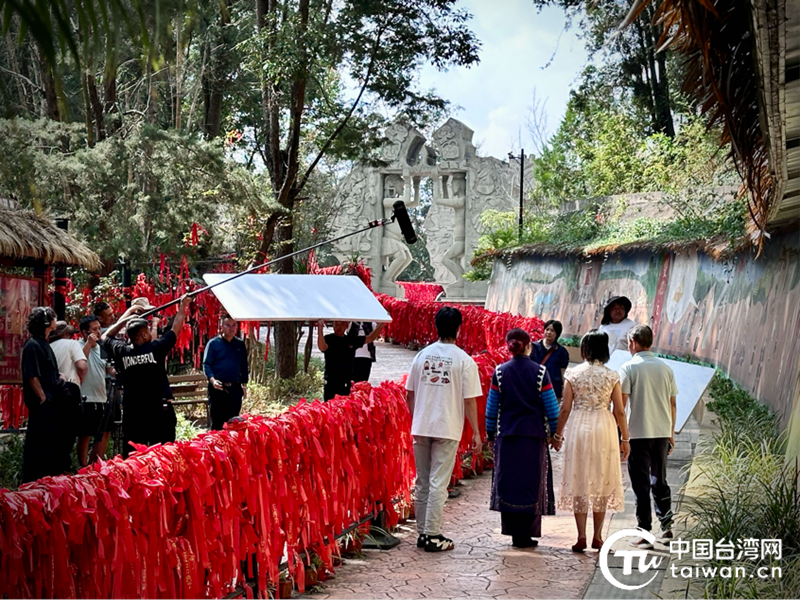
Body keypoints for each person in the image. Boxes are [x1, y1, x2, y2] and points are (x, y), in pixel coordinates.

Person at [405, 307, 483, 552]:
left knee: (423, 480)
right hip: (447, 426)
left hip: (422, 424)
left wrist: (418, 415)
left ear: (436, 327)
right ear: (459, 328)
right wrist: (477, 433)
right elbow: (470, 400)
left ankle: (422, 533)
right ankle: (433, 534)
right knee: (439, 481)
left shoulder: (422, 356)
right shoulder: (465, 361)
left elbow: (409, 393)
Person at [552, 330, 630, 552]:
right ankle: (598, 536)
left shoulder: (573, 374)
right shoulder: (612, 375)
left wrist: (557, 435)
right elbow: (620, 411)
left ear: (584, 349)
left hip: (579, 427)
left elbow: (565, 408)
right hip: (604, 426)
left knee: (580, 478)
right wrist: (625, 437)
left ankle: (581, 536)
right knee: (602, 479)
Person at [485, 328, 560, 548]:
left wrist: (490, 434)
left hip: (507, 436)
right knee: (530, 483)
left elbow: (492, 409)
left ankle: (513, 532)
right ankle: (527, 533)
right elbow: (552, 409)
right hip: (532, 436)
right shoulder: (540, 373)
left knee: (509, 483)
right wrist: (555, 435)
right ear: (529, 346)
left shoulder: (499, 372)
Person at [101, 294, 192, 457]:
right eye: (148, 330)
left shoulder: (122, 351)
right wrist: (182, 305)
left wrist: (128, 314)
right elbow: (175, 329)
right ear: (143, 335)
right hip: (159, 411)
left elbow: (105, 336)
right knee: (164, 455)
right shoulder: (155, 349)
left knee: (135, 457)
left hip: (133, 414)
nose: (151, 332)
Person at [618, 324, 677, 548]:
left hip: (638, 434)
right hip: (662, 432)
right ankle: (667, 527)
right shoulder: (665, 368)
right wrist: (671, 434)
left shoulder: (629, 368)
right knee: (659, 480)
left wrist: (623, 436)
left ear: (633, 342)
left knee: (640, 484)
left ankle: (644, 532)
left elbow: (621, 406)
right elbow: (673, 403)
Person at [20, 307, 64, 482]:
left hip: (50, 402)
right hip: (42, 404)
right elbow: (32, 375)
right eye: (52, 318)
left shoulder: (44, 343)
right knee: (38, 444)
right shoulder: (32, 345)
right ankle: (32, 481)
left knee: (48, 444)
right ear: (46, 322)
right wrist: (42, 397)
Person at [76, 315, 114, 466]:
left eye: (99, 328)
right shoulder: (77, 346)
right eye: (94, 329)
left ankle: (96, 464)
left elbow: (109, 368)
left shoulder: (102, 347)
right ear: (85, 332)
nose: (98, 332)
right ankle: (83, 465)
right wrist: (88, 344)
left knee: (104, 432)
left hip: (102, 396)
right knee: (85, 434)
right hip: (85, 397)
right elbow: (80, 365)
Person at [317, 320, 384, 401]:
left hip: (347, 382)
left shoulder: (350, 339)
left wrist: (381, 324)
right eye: (336, 324)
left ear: (346, 325)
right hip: (331, 381)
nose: (339, 327)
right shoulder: (328, 338)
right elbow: (322, 347)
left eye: (342, 324)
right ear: (333, 325)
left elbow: (370, 338)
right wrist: (320, 331)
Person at [203, 315, 249, 430]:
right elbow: (206, 364)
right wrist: (213, 381)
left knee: (233, 424)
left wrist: (244, 385)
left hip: (235, 389)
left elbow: (244, 365)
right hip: (218, 389)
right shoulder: (213, 344)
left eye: (234, 325)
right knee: (217, 424)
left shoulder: (240, 344)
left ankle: (231, 447)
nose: (231, 328)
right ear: (221, 327)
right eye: (228, 325)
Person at [530, 319, 570, 400]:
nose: (548, 332)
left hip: (553, 387)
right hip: (533, 385)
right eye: (547, 329)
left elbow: (563, 371)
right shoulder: (533, 347)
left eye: (552, 330)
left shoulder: (562, 351)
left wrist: (564, 388)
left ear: (557, 334)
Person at [48, 321, 87, 385]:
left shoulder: (49, 347)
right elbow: (82, 367)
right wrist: (81, 378)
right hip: (69, 388)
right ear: (66, 334)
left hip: (53, 389)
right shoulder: (72, 344)